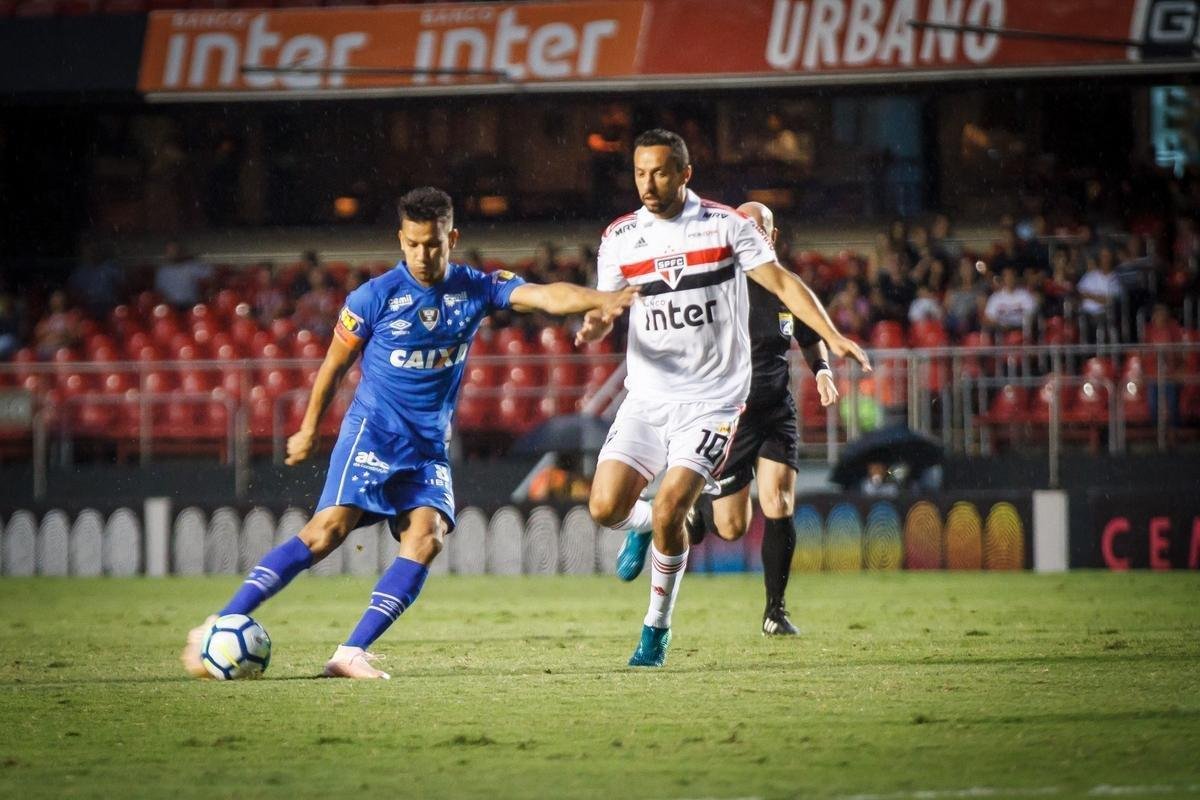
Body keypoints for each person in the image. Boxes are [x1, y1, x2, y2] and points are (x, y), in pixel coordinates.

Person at [181, 187, 636, 680]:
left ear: (452, 238)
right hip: (372, 437)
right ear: (401, 240)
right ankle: (220, 620)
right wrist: (310, 428)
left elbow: (545, 296)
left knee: (428, 536)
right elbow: (334, 365)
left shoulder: (475, 287)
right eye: (414, 244)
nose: (423, 254)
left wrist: (602, 297)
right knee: (326, 533)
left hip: (427, 451)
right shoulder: (373, 297)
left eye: (434, 244)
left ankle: (350, 653)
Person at [577, 129, 871, 668]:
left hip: (713, 401)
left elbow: (783, 284)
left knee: (673, 509)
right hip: (646, 398)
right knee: (604, 508)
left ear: (685, 174)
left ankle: (654, 632)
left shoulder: (726, 227)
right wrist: (598, 320)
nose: (648, 183)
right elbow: (607, 301)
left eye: (661, 171)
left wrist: (830, 336)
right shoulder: (619, 236)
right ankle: (640, 528)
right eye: (640, 172)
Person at [609, 201, 839, 636]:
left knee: (780, 503)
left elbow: (811, 338)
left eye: (758, 227)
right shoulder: (711, 282)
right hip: (724, 416)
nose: (748, 232)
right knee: (731, 527)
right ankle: (673, 515)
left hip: (774, 411)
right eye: (742, 225)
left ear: (770, 237)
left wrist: (823, 370)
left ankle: (775, 611)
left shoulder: (786, 286)